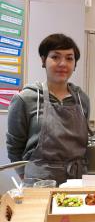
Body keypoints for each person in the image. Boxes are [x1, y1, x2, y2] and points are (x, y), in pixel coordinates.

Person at [6, 33, 90, 185]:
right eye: (55, 57)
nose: (63, 63)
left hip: (76, 182)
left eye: (69, 58)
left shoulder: (82, 99)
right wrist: (26, 178)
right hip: (39, 182)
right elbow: (14, 146)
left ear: (75, 64)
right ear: (43, 60)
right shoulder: (25, 99)